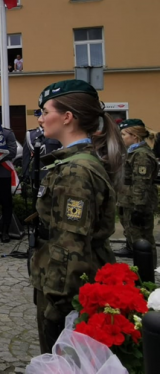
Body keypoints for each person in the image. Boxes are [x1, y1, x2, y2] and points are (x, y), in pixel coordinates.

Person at [31, 80, 125, 355]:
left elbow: (70, 245)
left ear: (67, 117)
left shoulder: (76, 171)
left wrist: (57, 304)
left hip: (65, 289)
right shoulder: (76, 162)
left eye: (45, 111)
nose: (40, 118)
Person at [113, 119, 158, 265]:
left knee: (143, 241)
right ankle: (140, 269)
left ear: (135, 136)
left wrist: (139, 208)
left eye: (123, 134)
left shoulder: (141, 155)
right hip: (129, 202)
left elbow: (141, 183)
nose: (121, 138)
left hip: (137, 204)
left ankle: (147, 273)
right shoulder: (132, 152)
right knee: (134, 238)